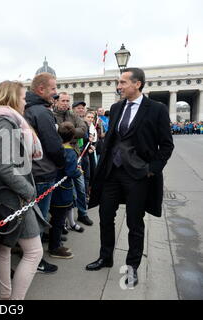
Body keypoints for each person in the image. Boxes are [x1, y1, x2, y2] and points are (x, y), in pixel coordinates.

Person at [86, 68, 174, 287]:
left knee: (135, 223)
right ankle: (105, 257)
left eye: (123, 82)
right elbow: (113, 139)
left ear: (138, 84)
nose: (119, 86)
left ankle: (132, 267)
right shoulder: (116, 108)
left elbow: (166, 145)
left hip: (138, 176)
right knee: (105, 216)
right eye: (119, 82)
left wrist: (151, 169)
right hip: (112, 174)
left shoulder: (156, 109)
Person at [0, 81, 49, 300]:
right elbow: (5, 167)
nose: (25, 102)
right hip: (14, 196)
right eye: (22, 97)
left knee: (4, 247)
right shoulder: (6, 123)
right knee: (34, 252)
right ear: (11, 98)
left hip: (4, 195)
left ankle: (6, 297)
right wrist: (28, 191)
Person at [24, 72, 65, 273]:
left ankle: (32, 257)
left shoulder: (29, 108)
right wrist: (61, 163)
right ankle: (36, 260)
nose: (55, 93)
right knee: (38, 221)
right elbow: (53, 145)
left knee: (33, 219)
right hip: (42, 171)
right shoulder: (40, 111)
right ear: (41, 89)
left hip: (33, 170)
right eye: (53, 88)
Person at [54, 93, 93, 226]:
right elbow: (54, 134)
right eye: (63, 100)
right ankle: (62, 221)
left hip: (75, 154)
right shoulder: (53, 116)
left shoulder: (73, 115)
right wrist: (69, 133)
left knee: (81, 187)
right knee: (63, 190)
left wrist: (67, 132)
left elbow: (83, 129)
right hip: (59, 157)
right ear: (57, 101)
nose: (65, 103)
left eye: (67, 101)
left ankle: (83, 213)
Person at [49, 122, 84, 259]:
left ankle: (55, 241)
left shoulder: (56, 149)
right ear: (73, 137)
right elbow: (70, 172)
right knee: (58, 220)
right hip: (63, 191)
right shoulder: (70, 152)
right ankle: (55, 247)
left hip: (54, 187)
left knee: (55, 219)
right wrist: (78, 171)